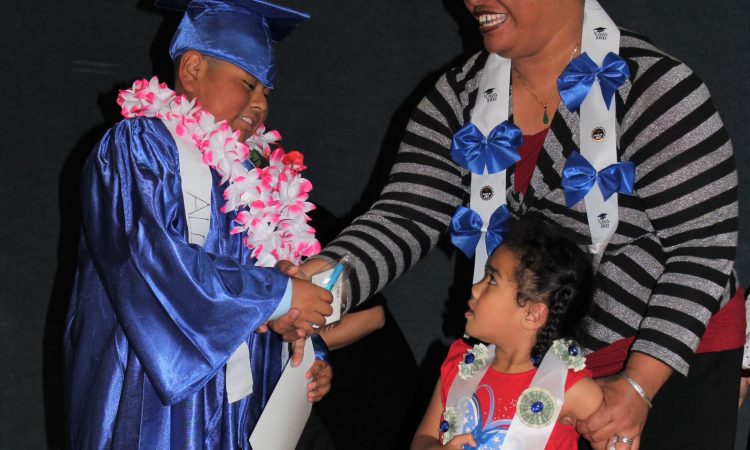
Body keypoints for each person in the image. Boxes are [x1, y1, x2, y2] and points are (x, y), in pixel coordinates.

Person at [288, 0, 744, 448]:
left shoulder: (655, 87)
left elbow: (702, 250)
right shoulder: (457, 97)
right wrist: (320, 283)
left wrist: (639, 384)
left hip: (662, 351)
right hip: (542, 355)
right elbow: (405, 214)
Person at [63, 1, 334, 448]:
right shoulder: (138, 149)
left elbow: (260, 293)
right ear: (191, 69)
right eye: (247, 83)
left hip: (229, 405)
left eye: (267, 91)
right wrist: (279, 295)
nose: (261, 103)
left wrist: (301, 348)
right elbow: (147, 261)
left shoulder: (250, 177)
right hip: (151, 390)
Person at [412, 214, 603, 450]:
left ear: (533, 314)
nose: (475, 288)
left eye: (492, 280)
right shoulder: (459, 368)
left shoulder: (572, 390)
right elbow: (422, 440)